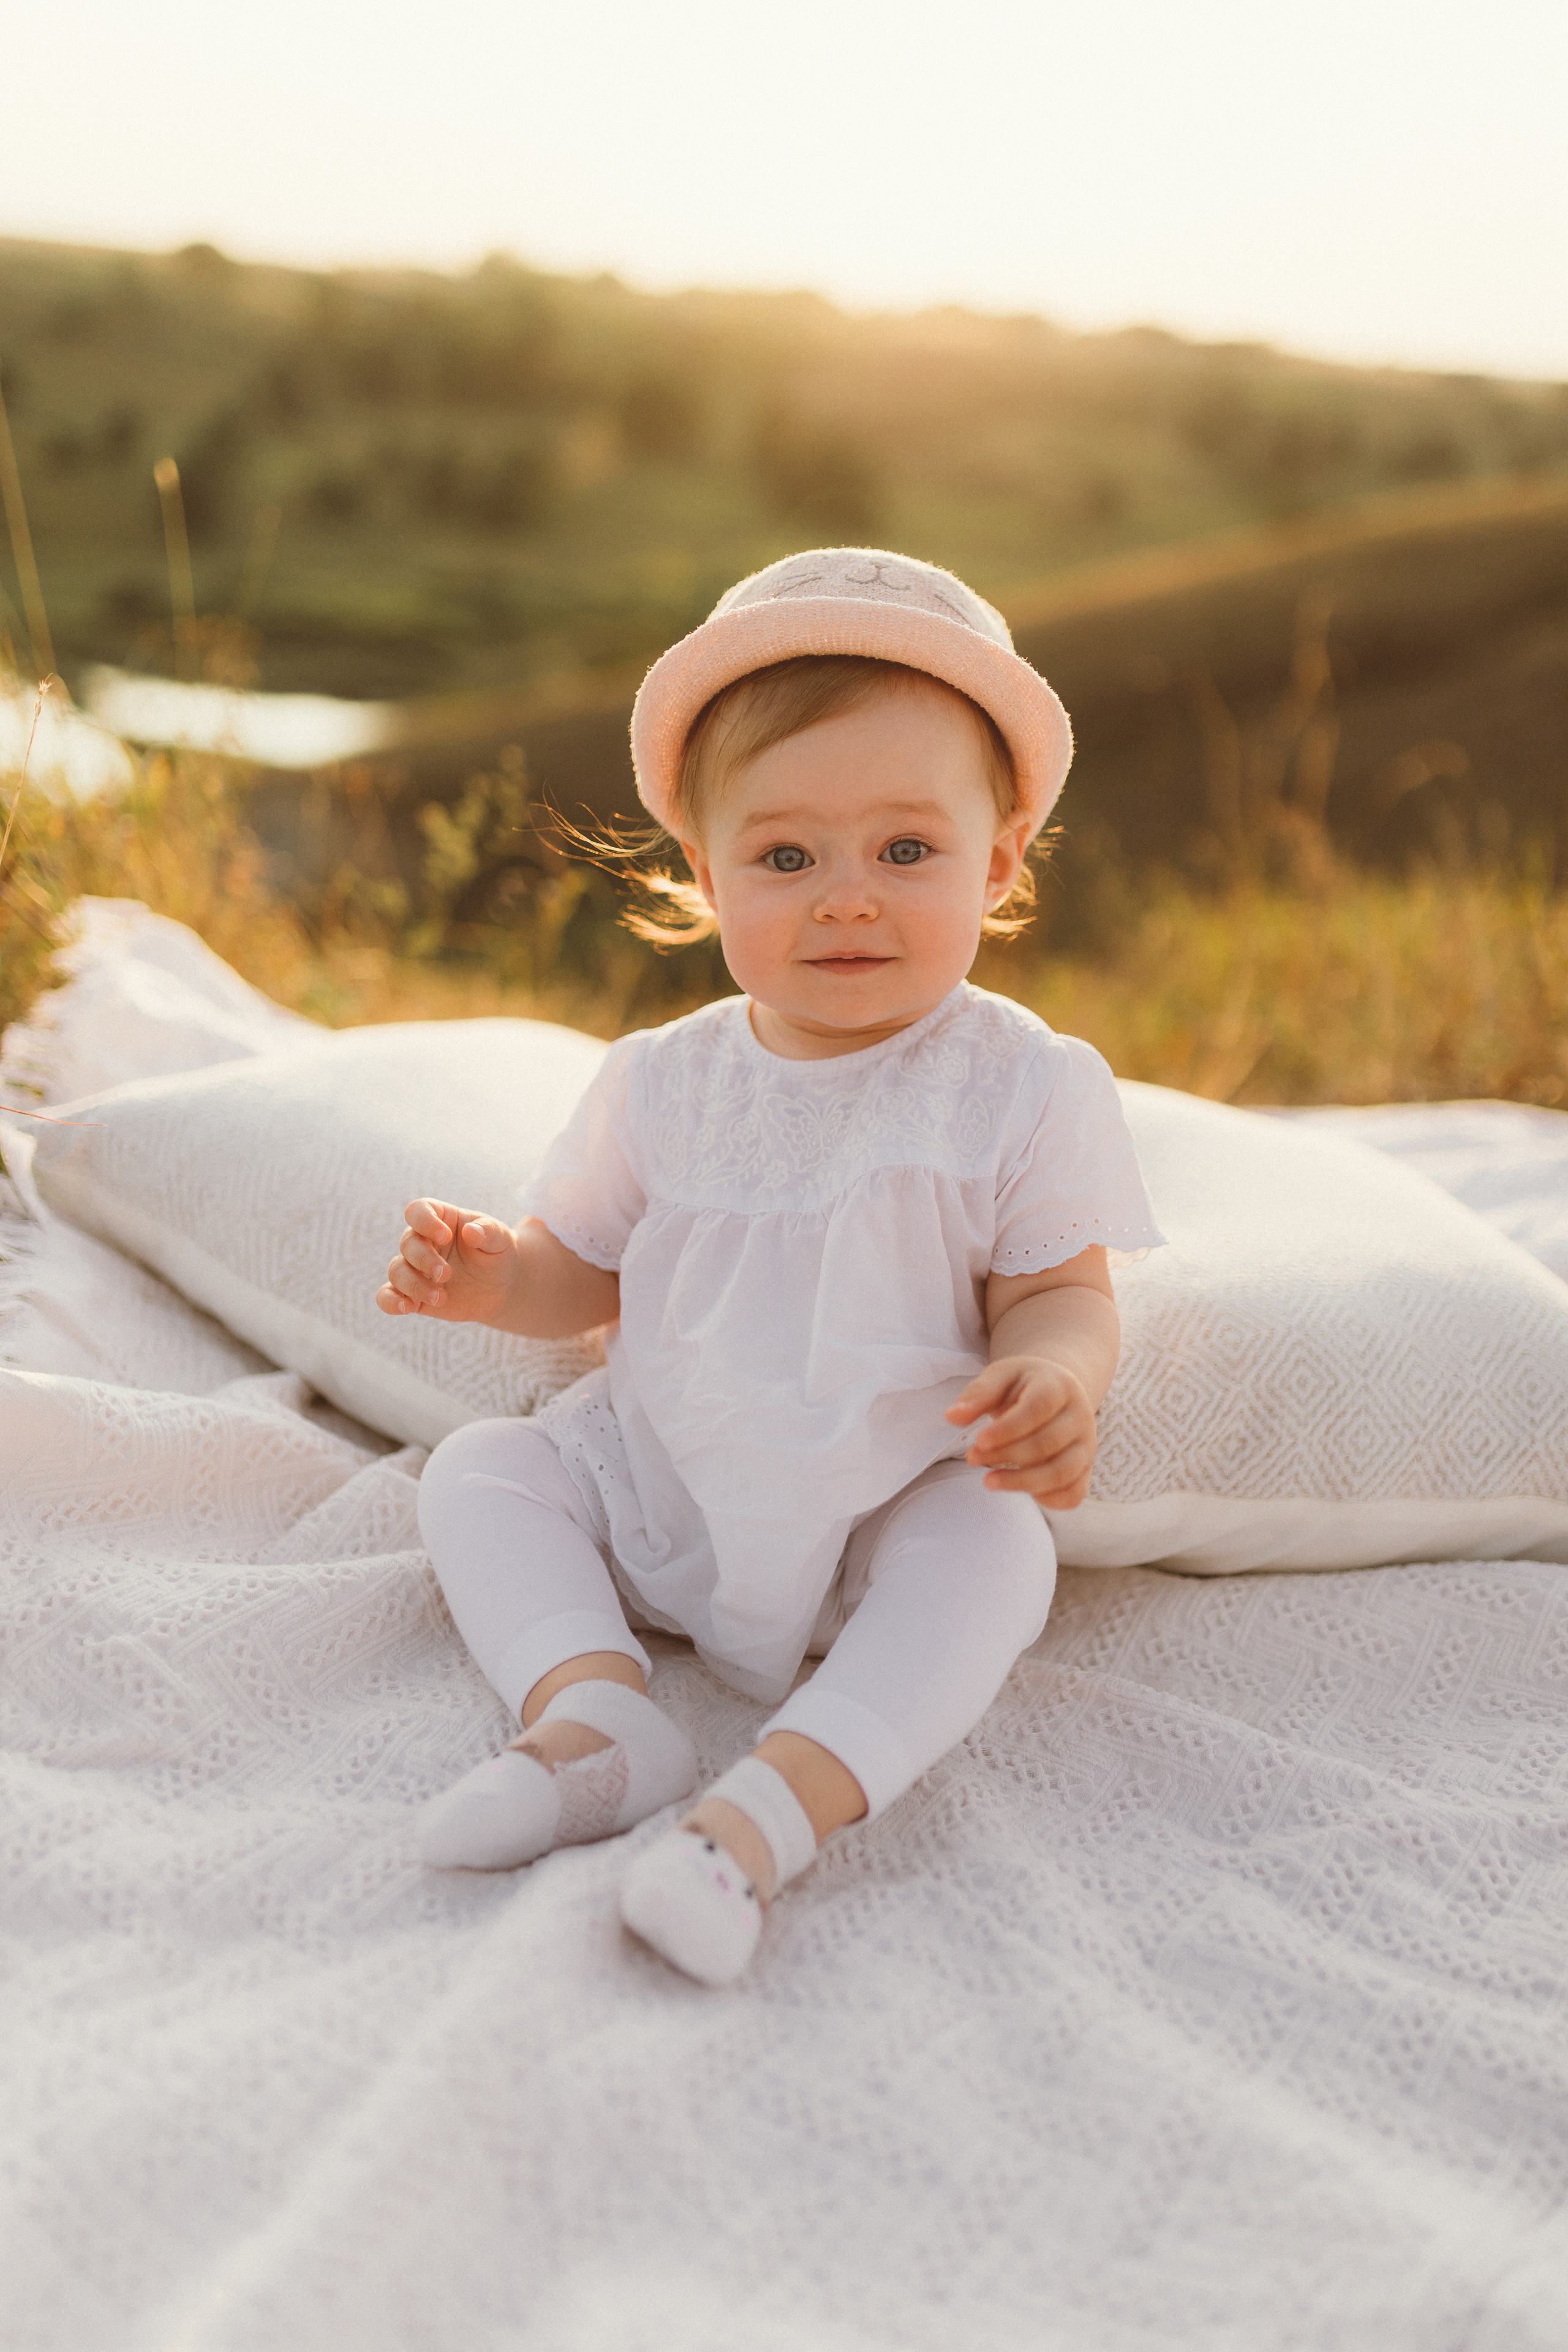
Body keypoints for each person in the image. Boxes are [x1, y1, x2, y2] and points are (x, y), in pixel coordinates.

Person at [379, 549, 1163, 1985]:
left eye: (906, 852)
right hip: (660, 1465)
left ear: (997, 865)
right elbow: (588, 1277)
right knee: (483, 1470)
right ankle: (591, 1715)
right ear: (705, 872)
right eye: (786, 858)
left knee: (994, 1552)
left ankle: (760, 1818)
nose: (844, 900)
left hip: (879, 1495)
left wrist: (1052, 1375)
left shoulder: (1017, 1085)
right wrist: (498, 1282)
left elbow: (1058, 1287)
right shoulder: (663, 1082)